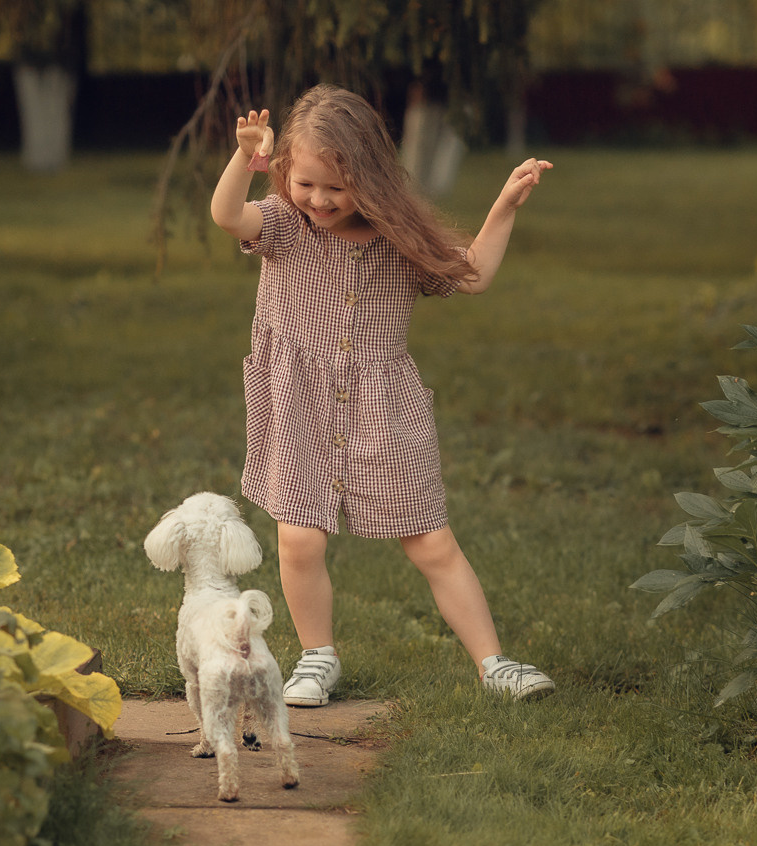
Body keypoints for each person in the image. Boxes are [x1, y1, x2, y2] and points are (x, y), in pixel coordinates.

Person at [209, 84, 557, 706]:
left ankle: (494, 663)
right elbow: (227, 216)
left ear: (369, 179)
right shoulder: (283, 225)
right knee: (300, 537)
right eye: (306, 182)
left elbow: (472, 274)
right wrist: (246, 160)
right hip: (297, 405)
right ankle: (318, 656)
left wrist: (503, 205)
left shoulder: (399, 239)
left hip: (383, 409)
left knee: (430, 539)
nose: (318, 200)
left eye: (335, 188)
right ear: (287, 170)